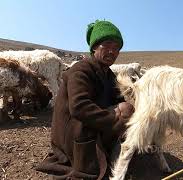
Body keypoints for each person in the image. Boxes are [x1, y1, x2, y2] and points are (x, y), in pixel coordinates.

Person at [36, 20, 135, 179]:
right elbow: (79, 107)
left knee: (129, 110)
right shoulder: (80, 70)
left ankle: (107, 149)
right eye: (107, 45)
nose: (112, 51)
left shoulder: (109, 75)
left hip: (89, 123)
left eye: (116, 48)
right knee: (124, 110)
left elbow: (119, 98)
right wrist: (114, 118)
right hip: (72, 131)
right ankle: (91, 157)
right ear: (94, 47)